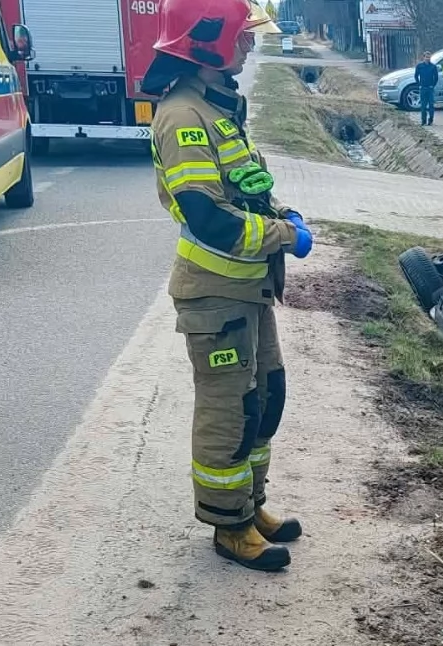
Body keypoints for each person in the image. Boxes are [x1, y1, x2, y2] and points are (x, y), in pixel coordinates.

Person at [143, 0, 313, 572]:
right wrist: (283, 236)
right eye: (242, 36)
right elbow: (208, 217)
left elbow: (248, 190)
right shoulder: (183, 116)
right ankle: (229, 525)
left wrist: (285, 213)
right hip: (214, 295)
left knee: (267, 398)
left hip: (246, 289)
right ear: (205, 42)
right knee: (231, 409)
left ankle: (250, 503)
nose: (249, 44)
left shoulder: (219, 108)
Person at [414, 51, 438, 126]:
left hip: (430, 88)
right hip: (423, 88)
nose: (428, 58)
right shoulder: (419, 66)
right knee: (423, 105)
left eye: (429, 57)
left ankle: (430, 119)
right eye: (426, 57)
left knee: (431, 104)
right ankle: (423, 120)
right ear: (423, 57)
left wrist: (433, 85)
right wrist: (419, 84)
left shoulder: (433, 66)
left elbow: (436, 77)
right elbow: (416, 76)